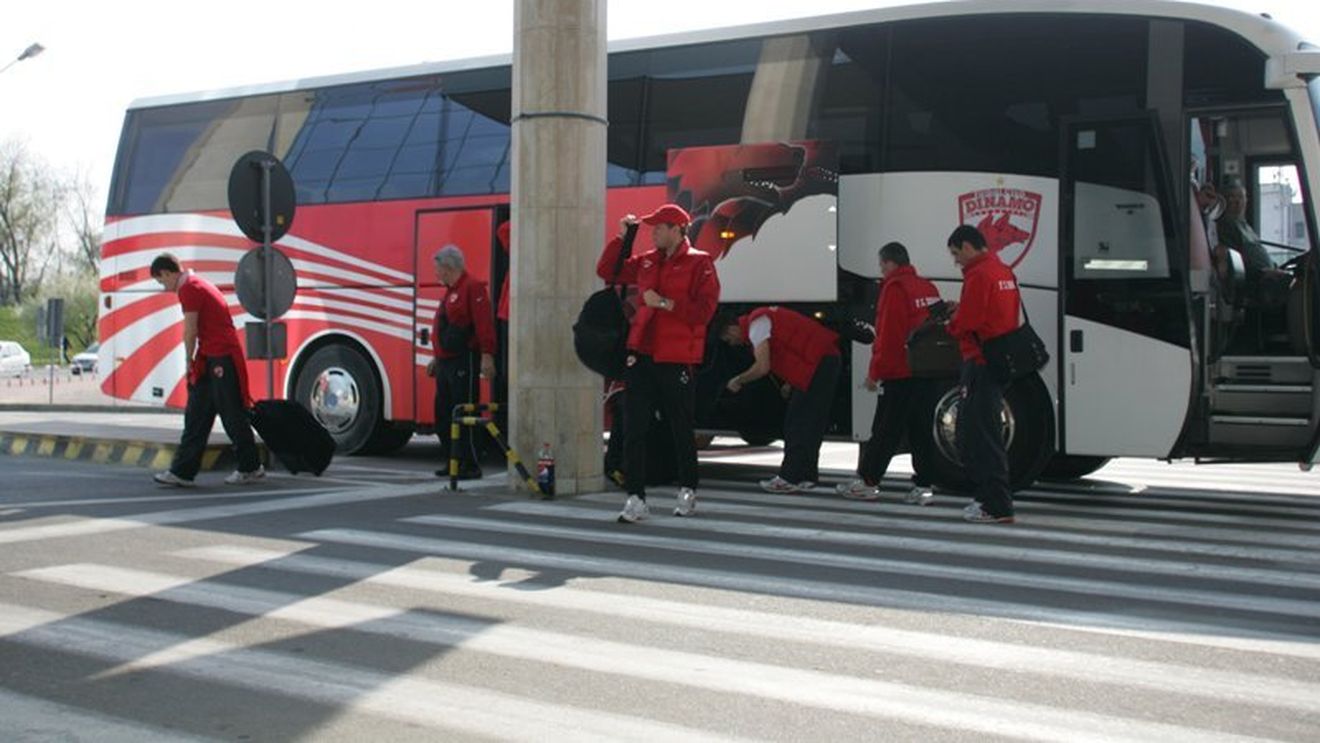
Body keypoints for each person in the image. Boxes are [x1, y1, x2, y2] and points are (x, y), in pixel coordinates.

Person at [597, 203, 720, 523]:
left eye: (659, 227)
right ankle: (636, 497)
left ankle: (688, 490)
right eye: (651, 227)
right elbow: (607, 271)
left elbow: (705, 312)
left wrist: (665, 303)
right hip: (641, 355)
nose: (653, 232)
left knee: (681, 427)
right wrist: (621, 239)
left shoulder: (700, 263)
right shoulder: (647, 260)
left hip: (677, 358)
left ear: (678, 229)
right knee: (634, 428)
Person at [836, 242, 942, 503]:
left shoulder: (895, 289)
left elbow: (888, 335)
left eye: (882, 264)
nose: (880, 270)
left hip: (901, 370)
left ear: (891, 263)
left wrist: (875, 372)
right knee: (921, 430)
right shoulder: (927, 287)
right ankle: (924, 486)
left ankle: (868, 481)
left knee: (886, 429)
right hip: (928, 369)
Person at [149, 253, 264, 487]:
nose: (165, 288)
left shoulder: (189, 288)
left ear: (168, 273)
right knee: (197, 414)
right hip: (211, 356)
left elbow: (189, 329)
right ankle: (183, 471)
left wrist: (188, 360)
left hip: (221, 356)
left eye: (162, 282)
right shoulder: (196, 283)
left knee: (231, 413)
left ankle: (251, 467)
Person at [716, 306, 841, 493]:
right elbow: (791, 348)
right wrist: (790, 382)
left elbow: (762, 366)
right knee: (810, 422)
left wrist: (738, 380)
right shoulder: (761, 320)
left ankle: (789, 477)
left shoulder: (756, 325)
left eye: (728, 339)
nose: (732, 343)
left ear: (731, 328)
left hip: (818, 363)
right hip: (823, 359)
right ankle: (806, 476)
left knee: (797, 423)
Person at [945, 225, 1020, 524]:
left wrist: (952, 321)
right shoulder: (1003, 271)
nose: (955, 261)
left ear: (966, 246)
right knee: (986, 432)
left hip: (980, 361)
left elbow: (970, 321)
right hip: (1000, 358)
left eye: (955, 253)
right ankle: (991, 499)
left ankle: (996, 505)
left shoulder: (978, 275)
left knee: (977, 436)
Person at [428, 244, 497, 480]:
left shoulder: (472, 287)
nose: (436, 274)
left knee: (463, 412)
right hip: (446, 362)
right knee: (443, 415)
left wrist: (487, 355)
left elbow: (483, 324)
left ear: (448, 267)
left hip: (463, 361)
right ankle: (452, 461)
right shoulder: (451, 290)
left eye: (438, 269)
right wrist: (436, 359)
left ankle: (470, 464)